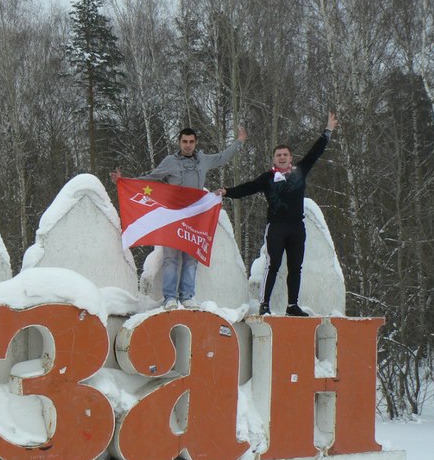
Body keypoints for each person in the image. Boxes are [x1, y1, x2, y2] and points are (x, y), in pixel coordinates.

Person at [215, 112, 339, 317]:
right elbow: (248, 188)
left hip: (297, 227)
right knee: (272, 265)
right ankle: (264, 304)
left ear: (290, 158)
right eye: (278, 155)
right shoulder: (268, 178)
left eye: (285, 155)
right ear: (274, 159)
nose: (282, 157)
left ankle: (292, 305)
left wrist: (328, 131)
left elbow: (315, 153)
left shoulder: (300, 171)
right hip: (276, 227)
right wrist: (227, 191)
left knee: (295, 267)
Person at [111, 125, 247, 310]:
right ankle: (170, 298)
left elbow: (222, 157)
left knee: (191, 257)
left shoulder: (203, 160)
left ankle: (187, 296)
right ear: (179, 142)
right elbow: (152, 177)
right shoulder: (170, 161)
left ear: (196, 143)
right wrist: (124, 181)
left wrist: (239, 142)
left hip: (195, 217)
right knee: (171, 258)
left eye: (191, 142)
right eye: (184, 141)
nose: (188, 145)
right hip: (173, 217)